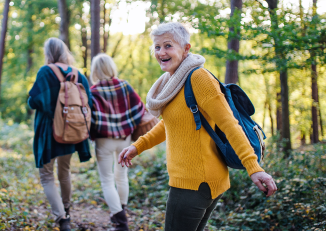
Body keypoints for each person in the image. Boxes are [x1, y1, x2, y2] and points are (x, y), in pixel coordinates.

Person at [118, 22, 278, 231]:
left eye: (168, 46)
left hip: (193, 184)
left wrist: (254, 168)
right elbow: (170, 124)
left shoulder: (198, 78)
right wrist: (138, 146)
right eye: (157, 47)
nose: (161, 52)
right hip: (196, 182)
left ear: (186, 49)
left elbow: (230, 124)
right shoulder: (174, 81)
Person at [28, 37, 93, 231]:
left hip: (49, 131)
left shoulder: (45, 72)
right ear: (65, 52)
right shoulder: (78, 74)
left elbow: (34, 100)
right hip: (72, 130)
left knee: (47, 176)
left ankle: (61, 219)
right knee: (64, 172)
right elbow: (88, 100)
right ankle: (67, 210)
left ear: (48, 53)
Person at [90, 53, 146, 231]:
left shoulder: (94, 91)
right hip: (124, 138)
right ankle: (121, 211)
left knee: (107, 180)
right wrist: (128, 124)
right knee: (121, 176)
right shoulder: (124, 86)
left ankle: (120, 222)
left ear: (96, 70)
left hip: (104, 140)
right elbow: (140, 108)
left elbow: (90, 119)